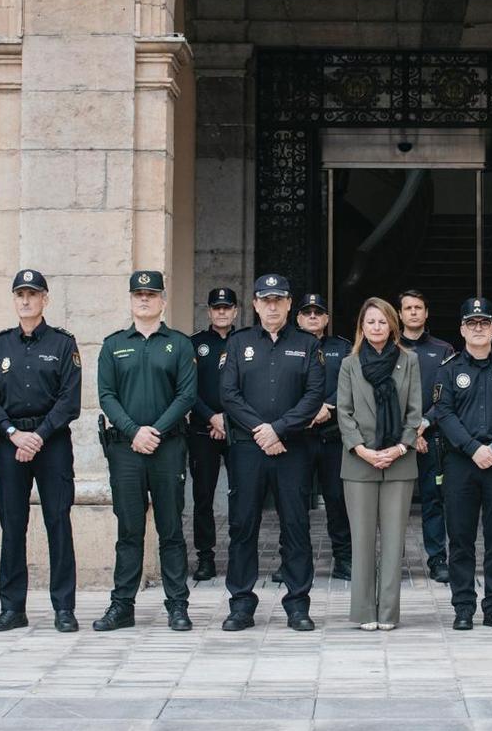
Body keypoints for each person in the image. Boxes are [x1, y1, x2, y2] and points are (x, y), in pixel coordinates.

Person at [0, 270, 82, 632]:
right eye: (20, 294)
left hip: (51, 442)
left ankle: (64, 608)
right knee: (12, 525)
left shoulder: (63, 344)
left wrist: (37, 436)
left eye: (32, 294)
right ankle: (12, 608)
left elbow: (70, 400)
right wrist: (13, 434)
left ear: (44, 300)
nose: (26, 300)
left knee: (58, 522)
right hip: (11, 442)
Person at [219, 274, 324, 632]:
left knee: (295, 526)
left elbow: (314, 395)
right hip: (248, 449)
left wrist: (278, 429)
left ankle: (297, 605)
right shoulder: (238, 343)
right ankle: (241, 605)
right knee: (243, 525)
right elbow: (229, 394)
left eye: (279, 299)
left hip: (292, 448)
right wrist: (261, 431)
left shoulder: (307, 344)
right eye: (266, 300)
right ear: (255, 305)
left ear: (289, 304)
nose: (273, 306)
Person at [93, 270, 196, 632]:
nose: (144, 300)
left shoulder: (179, 344)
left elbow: (186, 395)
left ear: (162, 301)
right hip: (126, 450)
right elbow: (106, 395)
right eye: (139, 294)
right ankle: (122, 606)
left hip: (168, 448)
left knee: (171, 530)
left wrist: (156, 431)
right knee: (129, 530)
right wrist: (134, 431)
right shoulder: (113, 345)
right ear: (131, 300)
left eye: (151, 295)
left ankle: (178, 606)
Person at [435, 298, 492, 631]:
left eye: (484, 323)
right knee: (460, 539)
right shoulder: (449, 369)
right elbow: (444, 413)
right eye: (471, 323)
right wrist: (473, 448)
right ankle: (463, 607)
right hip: (461, 463)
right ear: (462, 329)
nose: (478, 328)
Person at [337, 297, 422, 630]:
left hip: (399, 461)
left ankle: (387, 613)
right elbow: (343, 412)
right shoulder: (350, 364)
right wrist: (362, 450)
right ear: (362, 326)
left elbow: (414, 411)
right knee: (361, 541)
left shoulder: (409, 361)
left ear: (392, 325)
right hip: (360, 462)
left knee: (393, 541)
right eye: (370, 321)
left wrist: (400, 448)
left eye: (382, 321)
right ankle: (363, 612)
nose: (376, 327)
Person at [397, 289, 455, 583]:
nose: (413, 312)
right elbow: (384, 394)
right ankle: (392, 562)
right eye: (408, 308)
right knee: (393, 505)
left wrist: (424, 423)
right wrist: (410, 431)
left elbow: (448, 395)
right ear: (400, 314)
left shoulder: (443, 350)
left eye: (418, 307)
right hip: (397, 439)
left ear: (426, 312)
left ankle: (437, 560)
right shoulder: (389, 346)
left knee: (433, 501)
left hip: (432, 438)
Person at [297, 293, 353, 581]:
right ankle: (293, 562)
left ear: (326, 318)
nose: (312, 317)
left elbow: (351, 382)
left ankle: (344, 560)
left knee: (337, 499)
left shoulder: (342, 348)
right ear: (298, 318)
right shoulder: (289, 346)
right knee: (294, 502)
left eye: (318, 312)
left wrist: (327, 406)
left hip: (332, 436)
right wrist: (307, 410)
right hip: (299, 437)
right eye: (307, 312)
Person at [188, 287, 238, 581]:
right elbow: (187, 390)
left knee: (241, 495)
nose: (221, 312)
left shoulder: (246, 342)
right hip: (202, 430)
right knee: (203, 497)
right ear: (208, 311)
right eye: (216, 307)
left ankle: (239, 555)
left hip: (237, 429)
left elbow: (250, 387)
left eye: (226, 307)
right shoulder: (194, 344)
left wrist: (227, 420)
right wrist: (212, 418)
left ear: (235, 311)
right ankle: (205, 558)